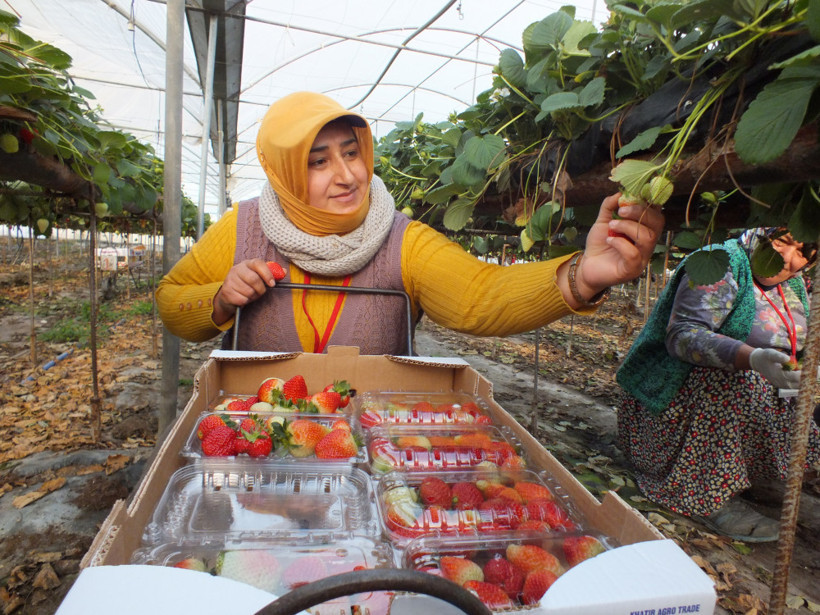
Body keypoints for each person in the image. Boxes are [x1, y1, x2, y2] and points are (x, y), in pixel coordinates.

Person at [156, 91, 663, 356]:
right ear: (284, 171)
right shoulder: (243, 228)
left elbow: (480, 296)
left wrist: (585, 275)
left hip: (371, 455)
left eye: (352, 153)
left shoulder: (400, 239)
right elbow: (172, 300)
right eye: (318, 162)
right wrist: (220, 299)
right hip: (261, 450)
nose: (348, 175)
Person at [616, 228, 820, 542]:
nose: (789, 260)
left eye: (804, 251)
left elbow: (798, 345)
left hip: (744, 409)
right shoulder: (719, 262)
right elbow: (683, 336)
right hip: (672, 409)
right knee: (729, 378)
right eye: (781, 243)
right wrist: (751, 359)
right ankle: (706, 493)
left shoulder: (793, 285)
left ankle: (743, 473)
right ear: (760, 230)